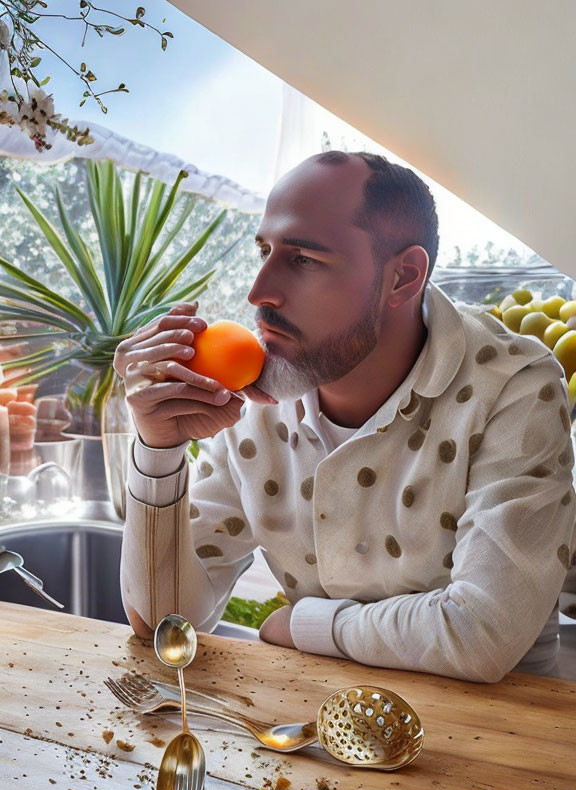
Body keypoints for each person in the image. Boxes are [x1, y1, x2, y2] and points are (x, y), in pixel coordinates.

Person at [114, 151, 576, 683]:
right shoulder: (257, 398)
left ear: (403, 277)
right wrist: (158, 449)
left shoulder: (515, 385)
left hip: (500, 743)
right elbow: (163, 624)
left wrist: (306, 625)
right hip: (318, 730)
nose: (258, 291)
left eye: (304, 259)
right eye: (264, 250)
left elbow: (481, 636)